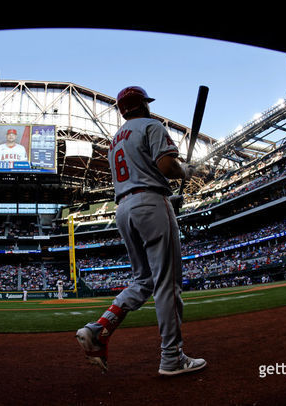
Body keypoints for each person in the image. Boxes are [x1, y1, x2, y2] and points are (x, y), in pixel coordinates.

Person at [75, 86, 206, 376]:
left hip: (125, 209)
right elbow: (165, 166)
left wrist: (170, 198)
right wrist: (185, 171)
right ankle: (172, 358)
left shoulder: (115, 140)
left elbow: (137, 179)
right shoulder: (151, 125)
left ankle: (99, 328)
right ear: (144, 105)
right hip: (150, 203)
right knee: (167, 284)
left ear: (123, 110)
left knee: (143, 280)